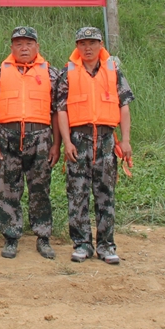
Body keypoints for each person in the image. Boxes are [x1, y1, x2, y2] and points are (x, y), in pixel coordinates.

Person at [57, 26, 135, 265]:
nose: (87, 48)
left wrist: (125, 140)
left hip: (106, 140)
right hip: (78, 140)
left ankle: (106, 245)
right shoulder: (67, 73)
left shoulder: (114, 71)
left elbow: (124, 107)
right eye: (83, 43)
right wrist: (67, 142)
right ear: (77, 46)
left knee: (105, 194)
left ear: (101, 45)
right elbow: (61, 110)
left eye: (92, 43)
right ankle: (82, 244)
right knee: (77, 194)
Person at [0, 26, 62, 260]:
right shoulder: (0, 73)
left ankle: (43, 236)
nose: (24, 48)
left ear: (37, 47)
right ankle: (10, 237)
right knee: (8, 189)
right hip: (7, 137)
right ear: (12, 47)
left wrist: (56, 144)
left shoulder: (51, 74)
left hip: (41, 138)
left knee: (41, 189)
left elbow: (57, 112)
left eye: (29, 43)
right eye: (19, 44)